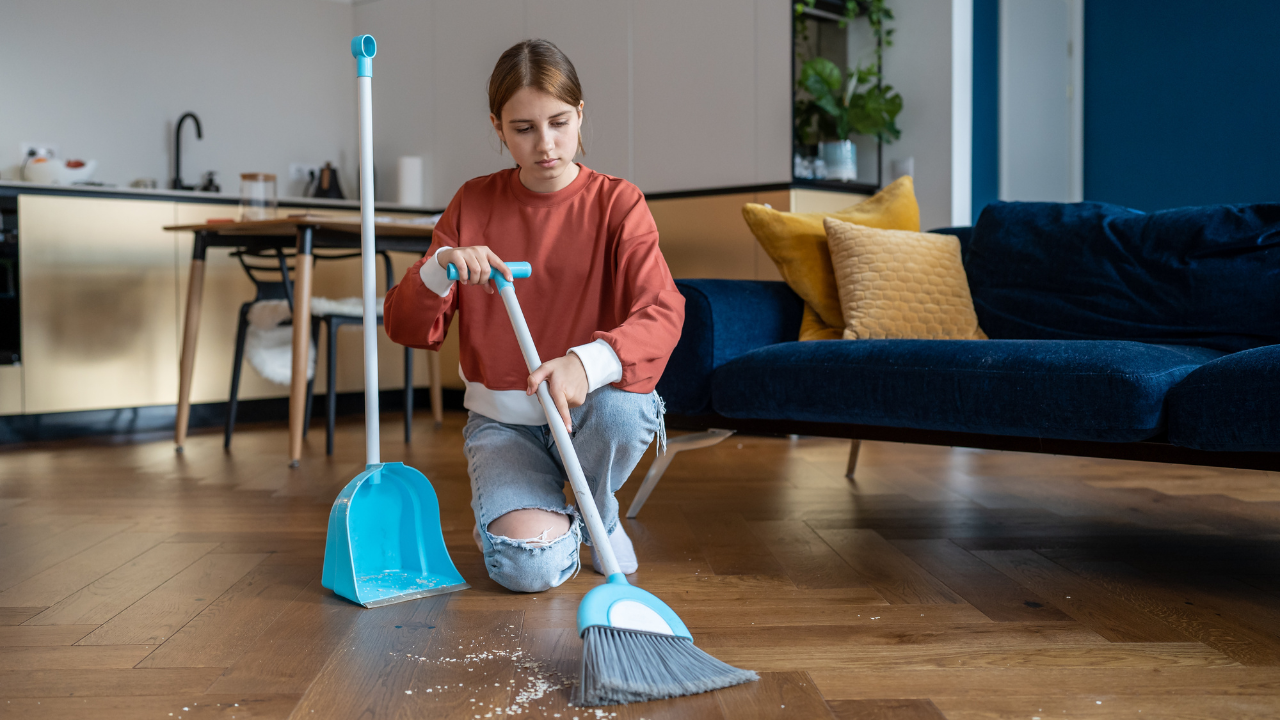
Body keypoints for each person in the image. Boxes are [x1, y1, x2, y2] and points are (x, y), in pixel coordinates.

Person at [383, 39, 684, 593]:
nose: (545, 145)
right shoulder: (471, 205)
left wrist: (584, 364)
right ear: (497, 127)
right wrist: (440, 268)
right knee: (528, 569)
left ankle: (597, 511)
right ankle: (559, 524)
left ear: (580, 114)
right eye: (523, 129)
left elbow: (663, 311)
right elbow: (404, 326)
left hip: (592, 413)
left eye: (559, 122)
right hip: (505, 426)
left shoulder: (619, 203)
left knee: (627, 412)